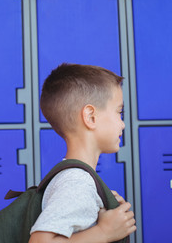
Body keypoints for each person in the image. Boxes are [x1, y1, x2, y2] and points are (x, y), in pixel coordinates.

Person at [29, 63, 136, 243]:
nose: (123, 124)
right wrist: (104, 231)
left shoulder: (76, 181)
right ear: (90, 117)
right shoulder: (77, 182)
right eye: (120, 112)